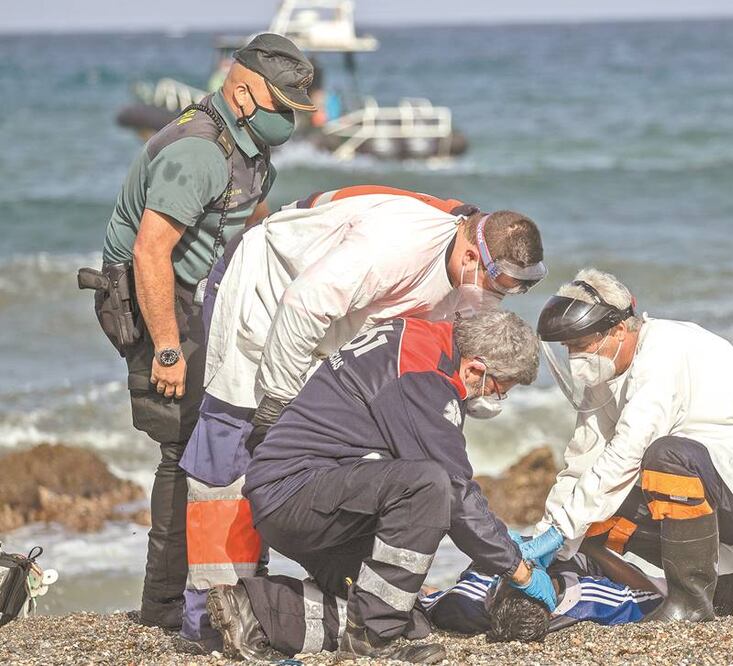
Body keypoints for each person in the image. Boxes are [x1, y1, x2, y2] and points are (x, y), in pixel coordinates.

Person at [176, 185, 546, 646]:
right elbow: (303, 304)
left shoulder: (464, 285)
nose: (492, 301)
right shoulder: (396, 245)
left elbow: (435, 412)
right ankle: (202, 620)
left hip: (330, 336)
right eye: (494, 287)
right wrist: (276, 407)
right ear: (472, 254)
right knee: (230, 455)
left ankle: (254, 606)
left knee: (399, 548)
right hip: (268, 293)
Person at [88, 33, 314, 630]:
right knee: (182, 444)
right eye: (282, 107)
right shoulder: (199, 152)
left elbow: (250, 215)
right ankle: (163, 605)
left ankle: (225, 577)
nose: (289, 120)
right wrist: (166, 348)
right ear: (242, 93)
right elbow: (149, 253)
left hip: (202, 289)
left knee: (230, 425)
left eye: (296, 109)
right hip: (149, 297)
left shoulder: (249, 145)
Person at [205, 311, 556, 663]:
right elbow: (454, 490)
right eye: (499, 389)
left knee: (408, 621)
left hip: (311, 490)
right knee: (429, 486)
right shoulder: (424, 379)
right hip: (296, 493)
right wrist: (517, 567)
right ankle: (369, 640)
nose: (496, 399)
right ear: (476, 369)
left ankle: (253, 609)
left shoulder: (421, 337)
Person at [518, 269, 733, 623]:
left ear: (619, 328)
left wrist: (561, 531)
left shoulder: (662, 353)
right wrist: (547, 536)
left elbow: (628, 450)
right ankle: (708, 583)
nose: (576, 358)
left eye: (582, 346)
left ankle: (689, 603)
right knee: (590, 521)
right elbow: (582, 461)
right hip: (715, 482)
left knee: (665, 458)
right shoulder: (605, 373)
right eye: (569, 348)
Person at [419, 550, 663, 642]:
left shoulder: (468, 600)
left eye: (511, 578)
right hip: (587, 556)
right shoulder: (591, 601)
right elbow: (659, 597)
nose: (522, 568)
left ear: (492, 598)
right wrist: (591, 545)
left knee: (429, 590)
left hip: (493, 553)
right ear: (552, 607)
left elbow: (423, 599)